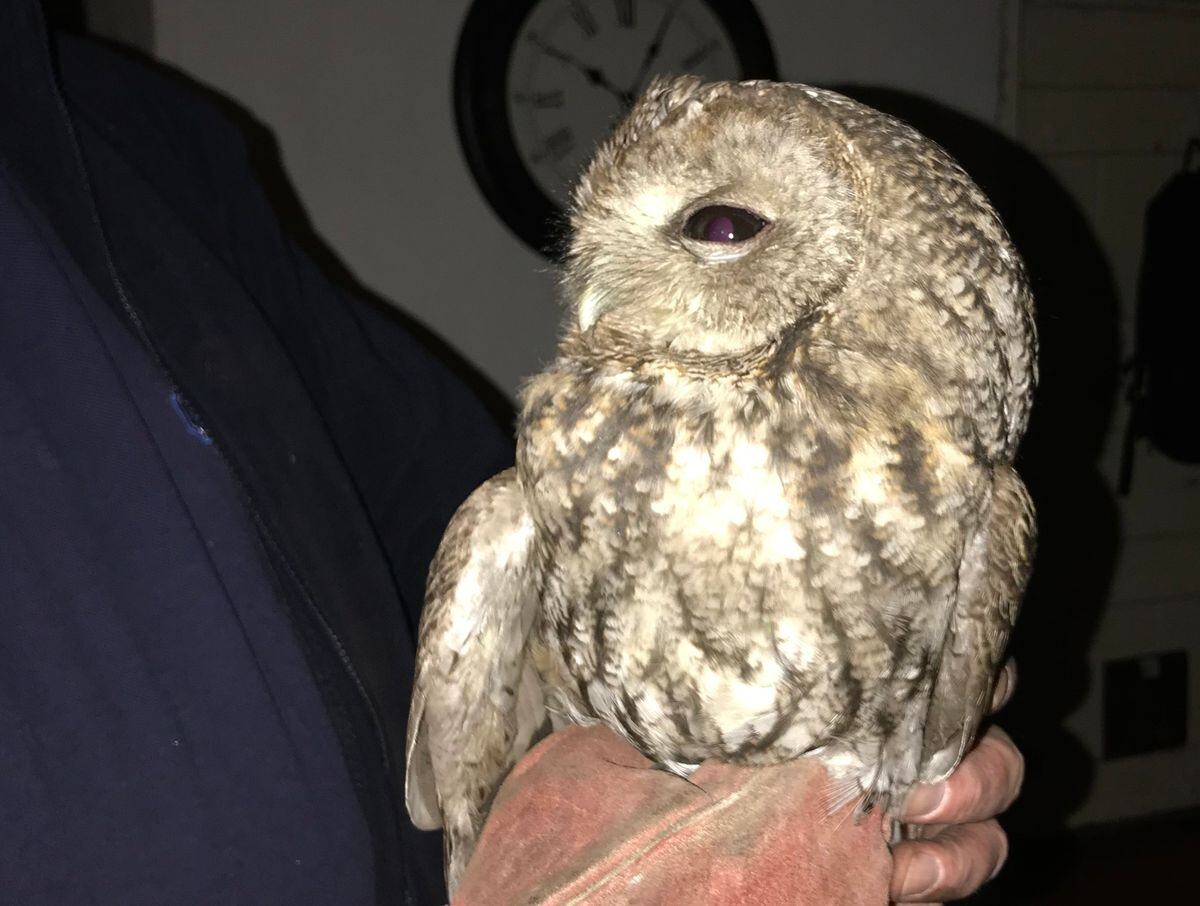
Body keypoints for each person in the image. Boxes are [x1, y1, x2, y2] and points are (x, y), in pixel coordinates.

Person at [0, 1, 1022, 902]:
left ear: (882, 266)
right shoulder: (542, 491)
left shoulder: (130, 139)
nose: (602, 289)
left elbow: (407, 479)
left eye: (717, 224)